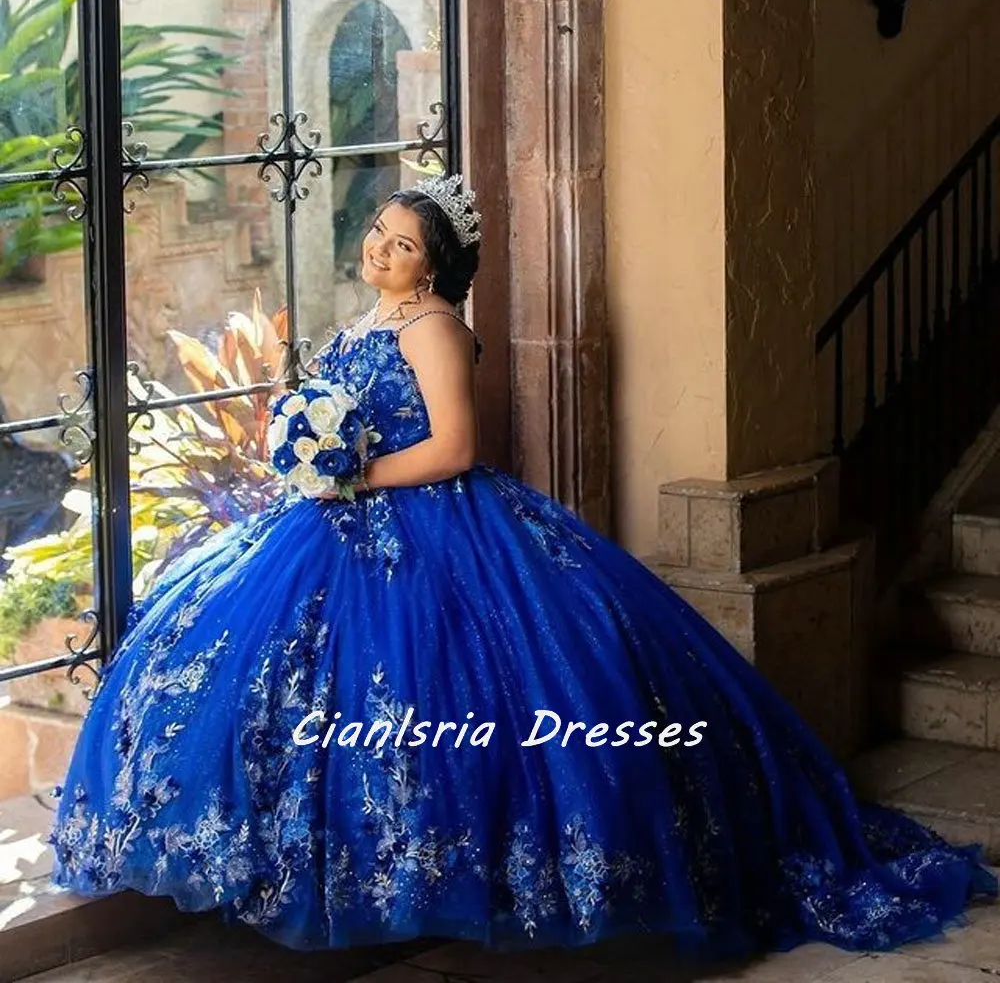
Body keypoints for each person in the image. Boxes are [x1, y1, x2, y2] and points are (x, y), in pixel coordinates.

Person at [48, 174, 996, 960]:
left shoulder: (432, 328)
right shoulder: (372, 317)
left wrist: (351, 472)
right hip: (337, 522)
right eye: (379, 232)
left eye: (404, 244)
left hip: (430, 519)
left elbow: (455, 446)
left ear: (438, 264)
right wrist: (306, 454)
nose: (382, 249)